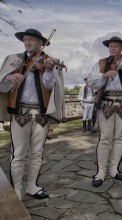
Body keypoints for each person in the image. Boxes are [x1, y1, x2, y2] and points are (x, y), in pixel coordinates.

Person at [0, 29, 62, 199]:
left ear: (41, 43)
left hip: (41, 113)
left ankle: (32, 186)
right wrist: (8, 79)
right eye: (26, 40)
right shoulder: (13, 61)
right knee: (18, 154)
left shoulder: (48, 61)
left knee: (37, 152)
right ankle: (16, 192)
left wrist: (48, 70)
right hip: (20, 111)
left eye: (32, 40)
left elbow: (50, 87)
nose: (27, 43)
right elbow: (2, 88)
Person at [86, 36, 122, 187]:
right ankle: (101, 172)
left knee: (119, 138)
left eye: (116, 46)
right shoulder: (102, 63)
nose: (113, 48)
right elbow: (90, 80)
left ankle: (114, 169)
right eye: (111, 46)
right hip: (106, 103)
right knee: (105, 138)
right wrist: (104, 75)